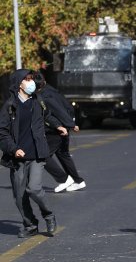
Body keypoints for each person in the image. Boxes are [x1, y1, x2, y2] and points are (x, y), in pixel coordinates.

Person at [0, 69, 67, 238]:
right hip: (17, 157)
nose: (31, 82)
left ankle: (48, 215)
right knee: (19, 197)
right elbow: (2, 133)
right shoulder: (10, 106)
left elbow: (48, 115)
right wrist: (14, 149)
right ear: (18, 84)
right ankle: (30, 225)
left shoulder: (37, 101)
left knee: (35, 189)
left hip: (37, 154)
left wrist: (58, 125)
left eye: (31, 79)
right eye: (27, 79)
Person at [33, 71, 86, 192]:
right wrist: (71, 122)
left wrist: (70, 124)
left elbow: (58, 110)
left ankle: (63, 179)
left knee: (42, 155)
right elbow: (67, 107)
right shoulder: (52, 90)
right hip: (62, 127)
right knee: (63, 155)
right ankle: (78, 181)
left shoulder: (45, 95)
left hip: (56, 130)